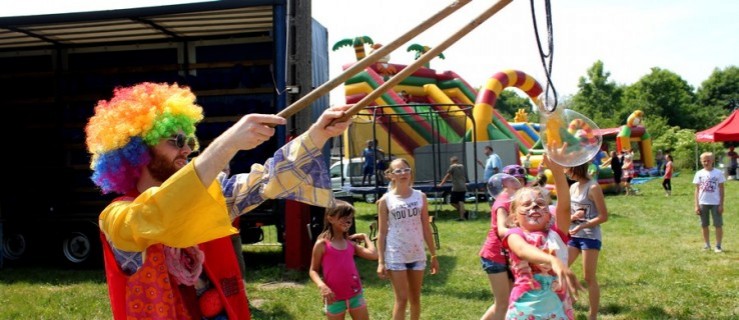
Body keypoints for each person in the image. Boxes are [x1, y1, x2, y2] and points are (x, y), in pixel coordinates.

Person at [85, 82, 351, 319]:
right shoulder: (116, 216)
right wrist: (227, 145)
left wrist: (318, 134)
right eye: (175, 140)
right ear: (139, 149)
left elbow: (267, 180)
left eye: (189, 140)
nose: (187, 148)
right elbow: (156, 215)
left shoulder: (208, 198)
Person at [501, 154, 583, 320]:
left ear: (549, 215)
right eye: (526, 205)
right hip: (524, 311)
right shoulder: (515, 235)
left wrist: (558, 173)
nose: (534, 206)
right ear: (515, 217)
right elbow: (523, 250)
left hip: (558, 310)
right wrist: (553, 260)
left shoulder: (557, 234)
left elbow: (565, 207)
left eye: (540, 204)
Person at [376, 158, 439, 320]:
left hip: (417, 253)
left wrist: (433, 255)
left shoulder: (420, 197)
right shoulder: (385, 200)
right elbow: (381, 233)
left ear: (411, 173)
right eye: (398, 171)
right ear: (391, 176)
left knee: (415, 299)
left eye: (406, 169)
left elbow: (426, 227)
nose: (403, 173)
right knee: (402, 299)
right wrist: (381, 261)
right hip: (396, 253)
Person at [309, 200, 378, 320]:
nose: (348, 220)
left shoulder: (351, 244)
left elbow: (373, 255)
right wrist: (322, 286)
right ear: (330, 219)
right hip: (334, 298)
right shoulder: (322, 244)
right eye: (344, 217)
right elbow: (313, 270)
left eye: (350, 217)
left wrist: (366, 237)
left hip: (355, 295)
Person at [566, 162, 610, 320]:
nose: (565, 171)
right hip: (573, 235)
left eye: (567, 167)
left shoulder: (593, 187)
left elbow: (603, 216)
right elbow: (573, 212)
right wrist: (571, 220)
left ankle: (592, 315)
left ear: (575, 168)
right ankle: (569, 300)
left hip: (590, 236)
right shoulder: (572, 187)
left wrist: (582, 226)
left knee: (589, 277)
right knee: (561, 267)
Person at [479, 173, 522, 320]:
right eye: (512, 179)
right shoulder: (502, 203)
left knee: (507, 301)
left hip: (504, 256)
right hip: (495, 257)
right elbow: (501, 229)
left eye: (518, 178)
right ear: (503, 183)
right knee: (503, 303)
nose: (517, 181)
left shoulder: (513, 200)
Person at [693, 152, 725, 253]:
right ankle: (707, 245)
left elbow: (721, 189)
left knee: (718, 224)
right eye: (704, 161)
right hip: (703, 202)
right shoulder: (699, 173)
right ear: (701, 162)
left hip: (716, 203)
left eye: (708, 160)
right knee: (704, 224)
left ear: (712, 161)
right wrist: (696, 205)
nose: (706, 162)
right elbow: (697, 190)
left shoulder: (718, 173)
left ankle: (718, 245)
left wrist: (721, 204)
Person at [437, 156, 468, 221]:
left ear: (452, 161)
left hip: (456, 187)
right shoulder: (462, 166)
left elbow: (447, 176)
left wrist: (441, 184)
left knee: (452, 202)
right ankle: (462, 216)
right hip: (463, 186)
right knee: (461, 201)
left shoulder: (452, 167)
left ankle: (464, 212)